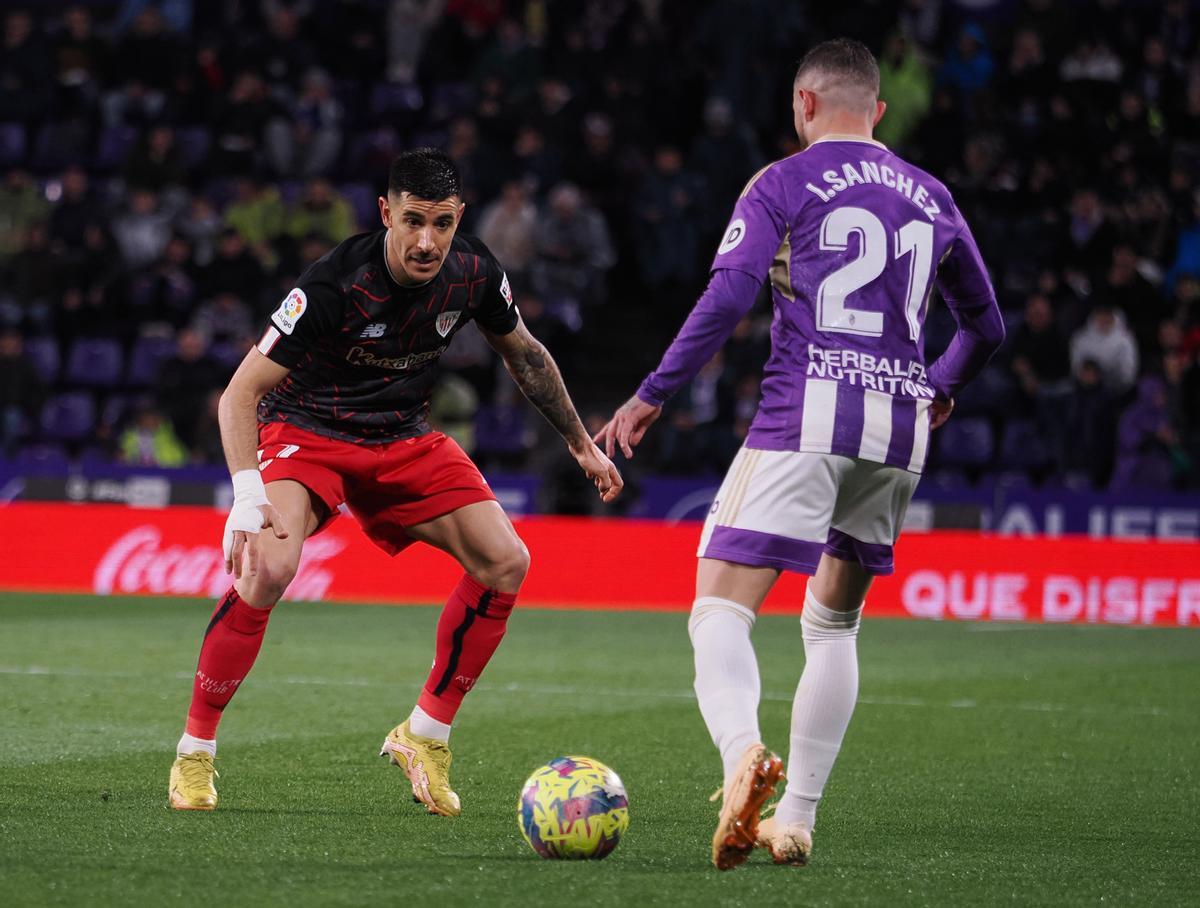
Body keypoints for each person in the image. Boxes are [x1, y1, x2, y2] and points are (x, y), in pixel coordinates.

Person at [596, 39, 1003, 870]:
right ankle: (798, 817)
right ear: (878, 111)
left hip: (805, 414)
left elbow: (732, 292)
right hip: (898, 429)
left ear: (803, 105)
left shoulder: (783, 179)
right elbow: (986, 327)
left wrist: (652, 391)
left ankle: (743, 753)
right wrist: (941, 387)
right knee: (834, 622)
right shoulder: (932, 196)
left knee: (719, 608)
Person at [168, 149, 622, 814]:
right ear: (386, 213)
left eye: (441, 223)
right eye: (412, 221)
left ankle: (424, 734)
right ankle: (194, 754)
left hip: (403, 438)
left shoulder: (473, 272)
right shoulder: (331, 284)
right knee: (267, 566)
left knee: (506, 560)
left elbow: (524, 352)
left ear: (459, 217)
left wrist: (582, 445)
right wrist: (246, 494)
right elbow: (238, 396)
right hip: (309, 433)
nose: (426, 241)